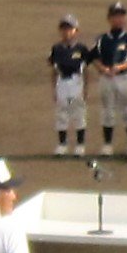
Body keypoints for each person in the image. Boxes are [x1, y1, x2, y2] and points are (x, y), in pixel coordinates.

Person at [91, 2, 127, 158]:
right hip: (106, 78)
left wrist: (121, 67)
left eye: (121, 16)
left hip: (124, 77)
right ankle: (107, 145)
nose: (119, 19)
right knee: (107, 111)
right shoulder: (103, 39)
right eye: (115, 16)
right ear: (109, 18)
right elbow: (94, 57)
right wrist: (103, 69)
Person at [46, 14, 92, 159]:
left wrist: (86, 88)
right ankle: (62, 145)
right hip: (62, 81)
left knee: (78, 113)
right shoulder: (56, 49)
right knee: (62, 114)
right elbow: (53, 69)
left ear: (76, 31)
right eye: (64, 29)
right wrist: (53, 88)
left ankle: (80, 145)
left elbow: (86, 70)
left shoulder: (81, 49)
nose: (66, 32)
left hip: (76, 81)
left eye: (70, 29)